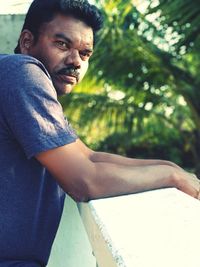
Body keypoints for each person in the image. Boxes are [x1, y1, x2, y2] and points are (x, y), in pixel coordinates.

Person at [0, 0, 199, 266]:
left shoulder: (27, 88)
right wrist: (172, 176)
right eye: (62, 44)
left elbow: (89, 157)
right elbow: (84, 181)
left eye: (85, 54)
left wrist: (171, 167)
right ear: (27, 40)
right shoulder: (21, 72)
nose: (75, 62)